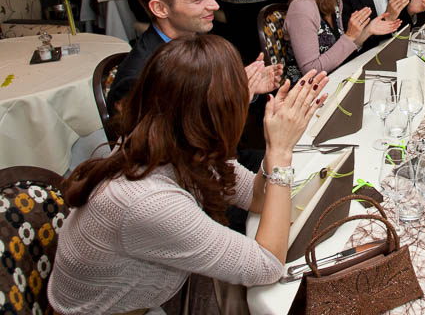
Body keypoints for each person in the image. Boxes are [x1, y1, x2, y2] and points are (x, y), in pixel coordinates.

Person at [48, 35, 330, 314]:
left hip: (156, 293)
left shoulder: (173, 142)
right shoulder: (147, 199)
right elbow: (267, 265)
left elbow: (255, 198)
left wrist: (273, 145)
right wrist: (281, 154)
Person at [106, 0, 281, 115]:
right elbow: (165, 145)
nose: (214, 6)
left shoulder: (211, 38)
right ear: (160, 9)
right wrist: (239, 96)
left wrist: (242, 87)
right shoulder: (139, 78)